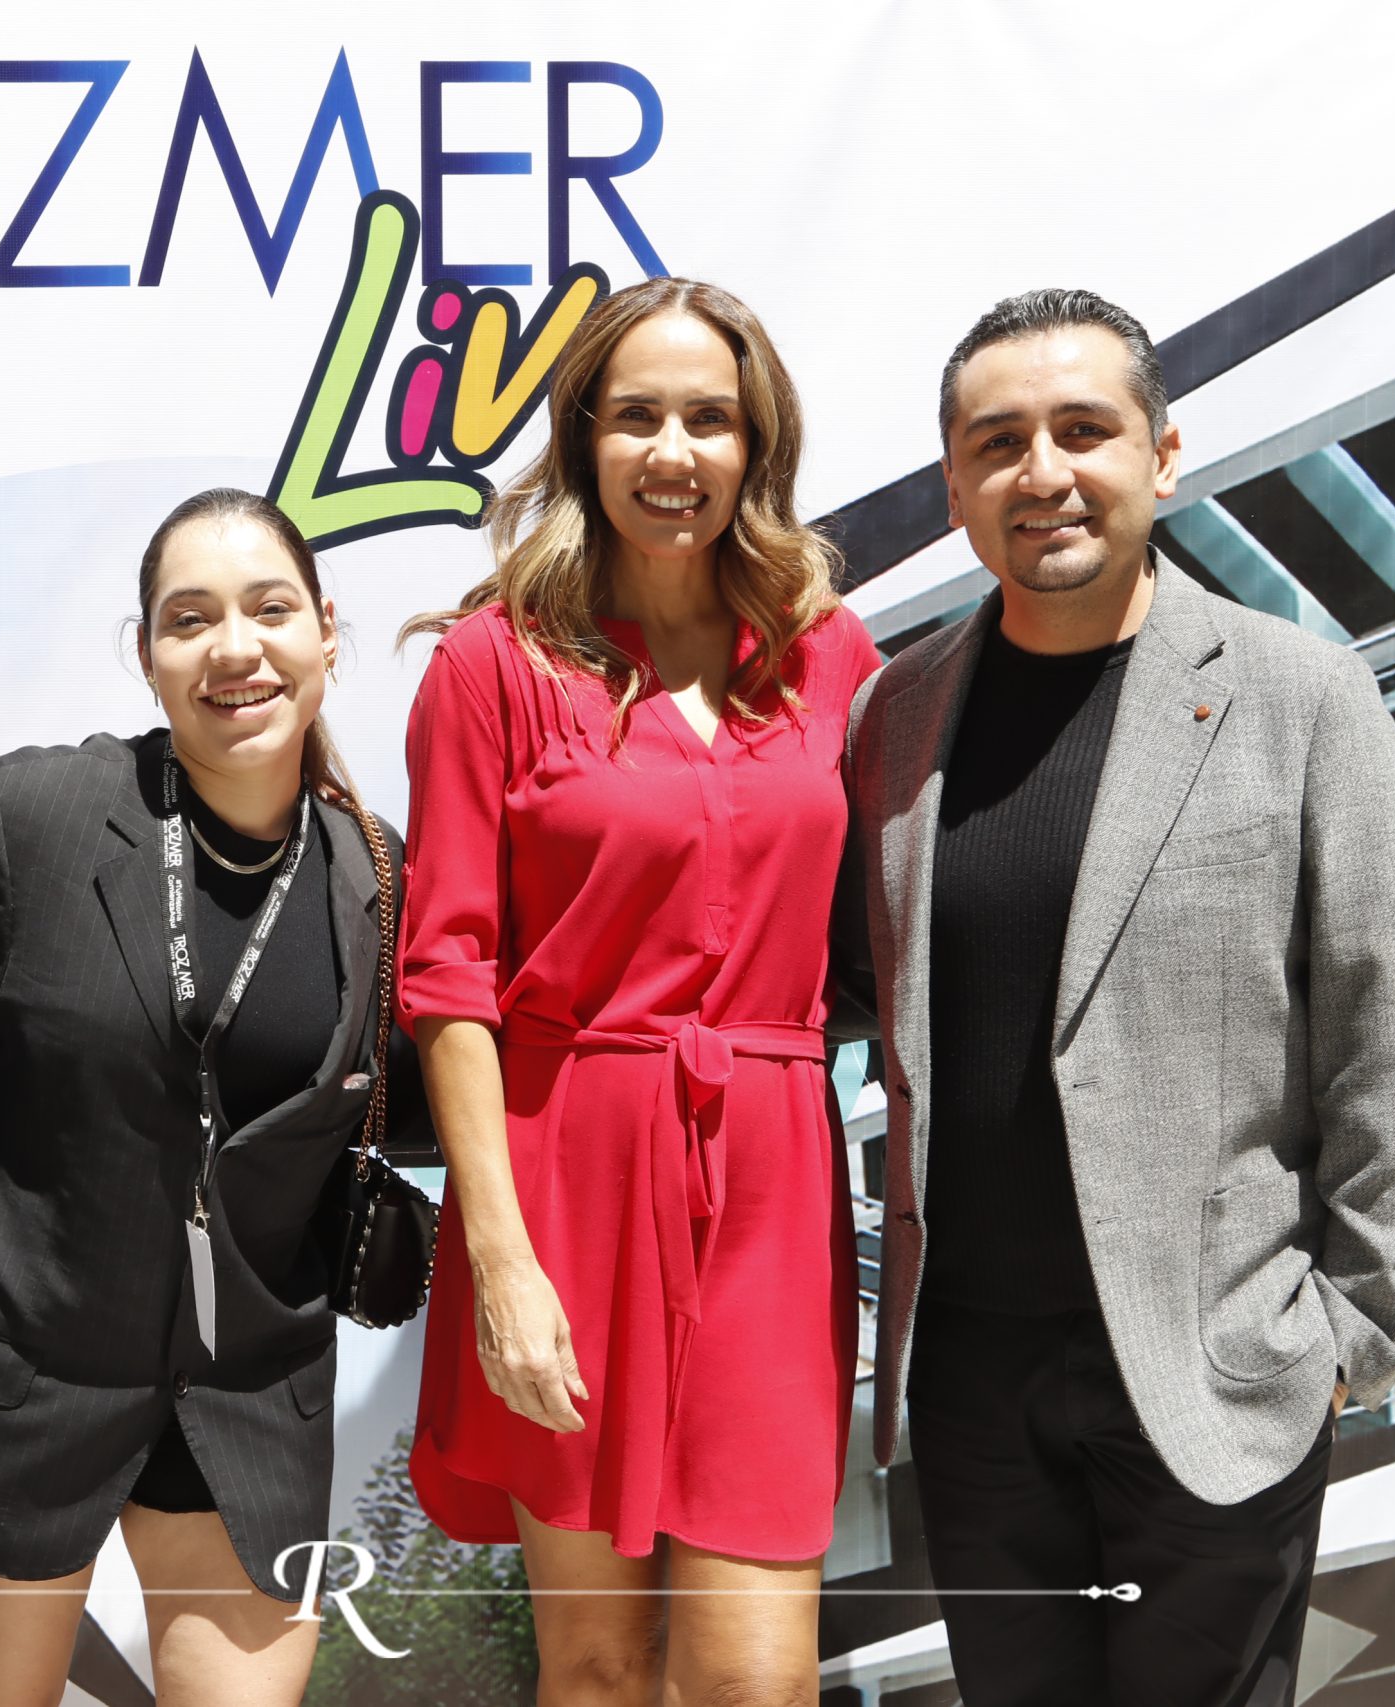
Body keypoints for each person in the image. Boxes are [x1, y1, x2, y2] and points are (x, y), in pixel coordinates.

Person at [843, 288, 1395, 1706]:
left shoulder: (1300, 695)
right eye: (998, 442)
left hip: (1216, 1370)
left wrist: (1350, 1334)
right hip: (974, 1393)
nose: (1043, 472)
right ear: (953, 486)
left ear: (1163, 455)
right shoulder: (897, 717)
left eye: (1084, 430)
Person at [398, 277, 881, 1705]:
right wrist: (502, 1265)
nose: (674, 452)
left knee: (755, 1674)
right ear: (584, 440)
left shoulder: (832, 656)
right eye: (638, 417)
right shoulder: (491, 664)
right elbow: (447, 978)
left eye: (710, 419)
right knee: (601, 1668)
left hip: (774, 1177)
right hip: (566, 1178)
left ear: (756, 446)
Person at [0, 488, 426, 1707]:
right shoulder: (36, 818)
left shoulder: (375, 875)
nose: (233, 649)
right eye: (189, 620)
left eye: (269, 610)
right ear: (145, 655)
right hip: (21, 1385)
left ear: (326, 635)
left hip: (248, 1400)